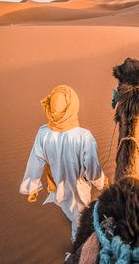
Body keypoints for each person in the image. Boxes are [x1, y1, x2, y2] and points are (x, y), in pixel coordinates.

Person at [19, 84, 107, 241]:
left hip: (58, 187)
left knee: (70, 211)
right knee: (80, 218)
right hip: (79, 190)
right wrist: (101, 182)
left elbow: (36, 160)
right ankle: (78, 242)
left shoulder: (43, 133)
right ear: (73, 106)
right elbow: (92, 170)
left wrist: (32, 187)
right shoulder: (84, 137)